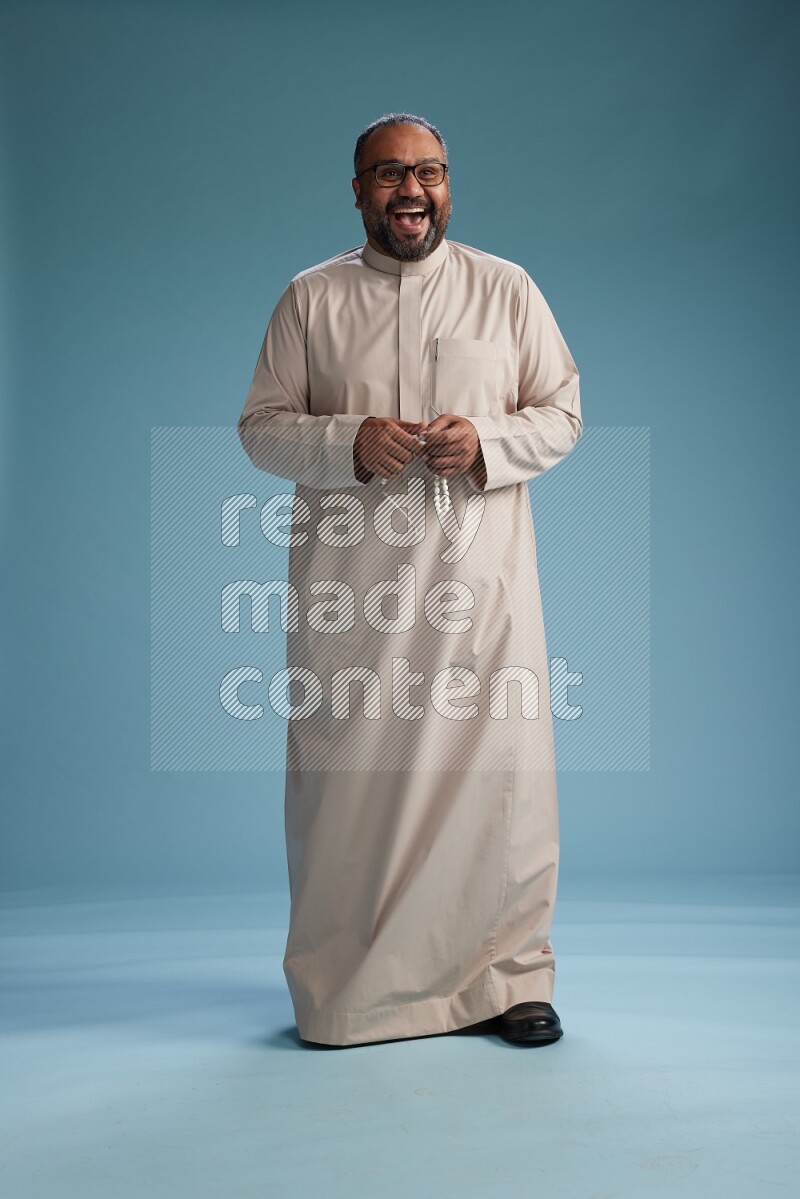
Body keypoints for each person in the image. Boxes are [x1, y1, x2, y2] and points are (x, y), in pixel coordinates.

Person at [237, 112, 582, 1048]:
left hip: (482, 601)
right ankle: (347, 986)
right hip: (358, 603)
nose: (411, 191)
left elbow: (562, 412)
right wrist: (345, 440)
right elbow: (260, 427)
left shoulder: (505, 290)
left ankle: (511, 978)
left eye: (428, 172)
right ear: (357, 192)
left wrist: (490, 441)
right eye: (389, 175)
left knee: (500, 788)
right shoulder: (310, 299)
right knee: (351, 792)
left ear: (448, 185)